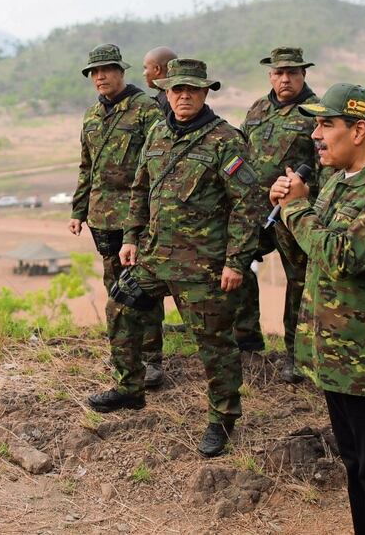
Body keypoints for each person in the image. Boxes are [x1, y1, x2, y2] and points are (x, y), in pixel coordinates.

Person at [270, 83, 365, 534]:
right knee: (357, 466)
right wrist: (283, 209)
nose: (316, 135)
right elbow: (309, 254)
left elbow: (342, 256)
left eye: (326, 124)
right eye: (316, 124)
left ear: (359, 129)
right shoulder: (337, 182)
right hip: (335, 356)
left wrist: (297, 210)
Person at [95, 58, 260, 458]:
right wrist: (131, 237)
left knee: (214, 345)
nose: (183, 96)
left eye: (192, 90)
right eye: (176, 90)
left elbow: (246, 205)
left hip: (203, 268)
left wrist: (236, 262)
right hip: (155, 257)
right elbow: (140, 189)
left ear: (205, 93)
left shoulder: (225, 140)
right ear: (167, 92)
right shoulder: (156, 132)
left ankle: (222, 418)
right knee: (120, 306)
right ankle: (130, 387)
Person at [70, 44, 167, 388]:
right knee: (114, 288)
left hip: (136, 217)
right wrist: (78, 210)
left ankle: (152, 359)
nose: (100, 77)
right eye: (94, 72)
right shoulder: (91, 116)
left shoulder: (145, 110)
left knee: (142, 289)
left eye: (106, 70)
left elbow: (159, 164)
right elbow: (87, 167)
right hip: (101, 217)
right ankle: (124, 356)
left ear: (121, 72)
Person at [233, 47, 320, 383]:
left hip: (292, 211)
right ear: (270, 75)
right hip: (255, 210)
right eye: (279, 73)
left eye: (293, 73)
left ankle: (296, 356)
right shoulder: (258, 108)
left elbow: (324, 163)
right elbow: (241, 149)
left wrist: (309, 201)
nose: (285, 78)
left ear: (303, 75)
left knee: (298, 283)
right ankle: (248, 341)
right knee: (237, 263)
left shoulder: (316, 112)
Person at [141, 46, 177, 117]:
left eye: (146, 68)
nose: (144, 73)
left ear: (157, 69)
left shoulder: (168, 100)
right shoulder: (170, 96)